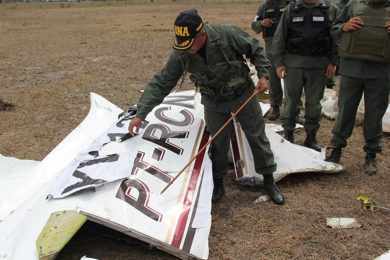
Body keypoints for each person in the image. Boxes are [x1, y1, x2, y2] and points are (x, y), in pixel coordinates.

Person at [128, 9, 285, 205]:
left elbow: (256, 49)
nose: (188, 49)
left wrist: (263, 74)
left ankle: (269, 181)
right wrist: (140, 114)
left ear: (202, 34)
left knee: (257, 136)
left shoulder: (227, 34)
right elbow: (162, 82)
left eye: (191, 43)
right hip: (213, 101)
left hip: (242, 94)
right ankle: (218, 184)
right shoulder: (182, 52)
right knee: (218, 143)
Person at [325, 0, 390, 176]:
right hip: (352, 67)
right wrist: (344, 26)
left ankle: (371, 155)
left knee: (374, 114)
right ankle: (336, 148)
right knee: (345, 110)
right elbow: (334, 29)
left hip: (381, 70)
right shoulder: (352, 5)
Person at [271, 0, 338, 151]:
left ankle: (311, 137)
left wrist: (333, 62)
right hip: (293, 65)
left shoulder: (329, 9)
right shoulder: (291, 10)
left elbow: (335, 37)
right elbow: (279, 37)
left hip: (318, 65)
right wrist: (279, 63)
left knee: (314, 104)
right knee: (291, 102)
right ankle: (288, 135)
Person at [251, 0, 290, 121]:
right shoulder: (264, 6)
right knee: (273, 78)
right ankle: (275, 107)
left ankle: (294, 109)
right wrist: (262, 23)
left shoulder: (290, 4)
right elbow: (254, 25)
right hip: (271, 45)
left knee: (291, 79)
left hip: (288, 47)